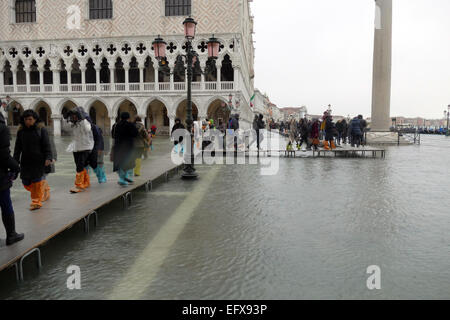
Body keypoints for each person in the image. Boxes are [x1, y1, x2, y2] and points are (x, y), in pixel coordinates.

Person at [14, 110, 53, 210]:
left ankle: (36, 202)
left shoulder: (41, 130)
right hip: (25, 161)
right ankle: (44, 188)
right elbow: (17, 148)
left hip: (38, 161)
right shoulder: (21, 131)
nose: (28, 121)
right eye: (26, 119)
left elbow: (47, 145)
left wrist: (48, 157)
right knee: (26, 182)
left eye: (30, 119)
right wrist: (15, 161)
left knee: (36, 182)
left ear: (35, 119)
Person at [1, 112, 24, 245]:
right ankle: (11, 235)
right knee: (5, 204)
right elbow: (3, 154)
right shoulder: (2, 128)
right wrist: (16, 167)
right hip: (0, 176)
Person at [66, 108, 95, 193]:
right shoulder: (73, 124)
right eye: (72, 116)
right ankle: (86, 182)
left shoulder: (85, 122)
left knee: (80, 165)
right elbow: (66, 128)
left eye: (75, 116)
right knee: (80, 164)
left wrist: (82, 120)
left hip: (85, 147)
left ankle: (79, 185)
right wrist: (66, 117)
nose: (73, 118)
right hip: (76, 147)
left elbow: (87, 129)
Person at [112, 112, 139, 186]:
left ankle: (123, 178)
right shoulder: (130, 125)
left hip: (118, 147)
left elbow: (113, 135)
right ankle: (124, 178)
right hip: (128, 146)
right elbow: (135, 134)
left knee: (120, 162)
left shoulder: (116, 125)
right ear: (128, 118)